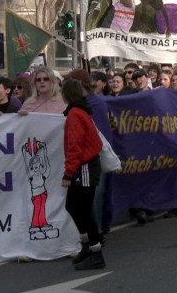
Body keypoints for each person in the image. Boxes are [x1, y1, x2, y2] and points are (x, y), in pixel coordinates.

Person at [60, 78, 106, 271]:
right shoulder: (79, 111)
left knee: (84, 210)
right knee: (72, 206)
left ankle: (96, 252)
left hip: (85, 166)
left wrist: (68, 173)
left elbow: (75, 146)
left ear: (65, 94)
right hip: (84, 165)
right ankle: (87, 244)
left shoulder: (75, 114)